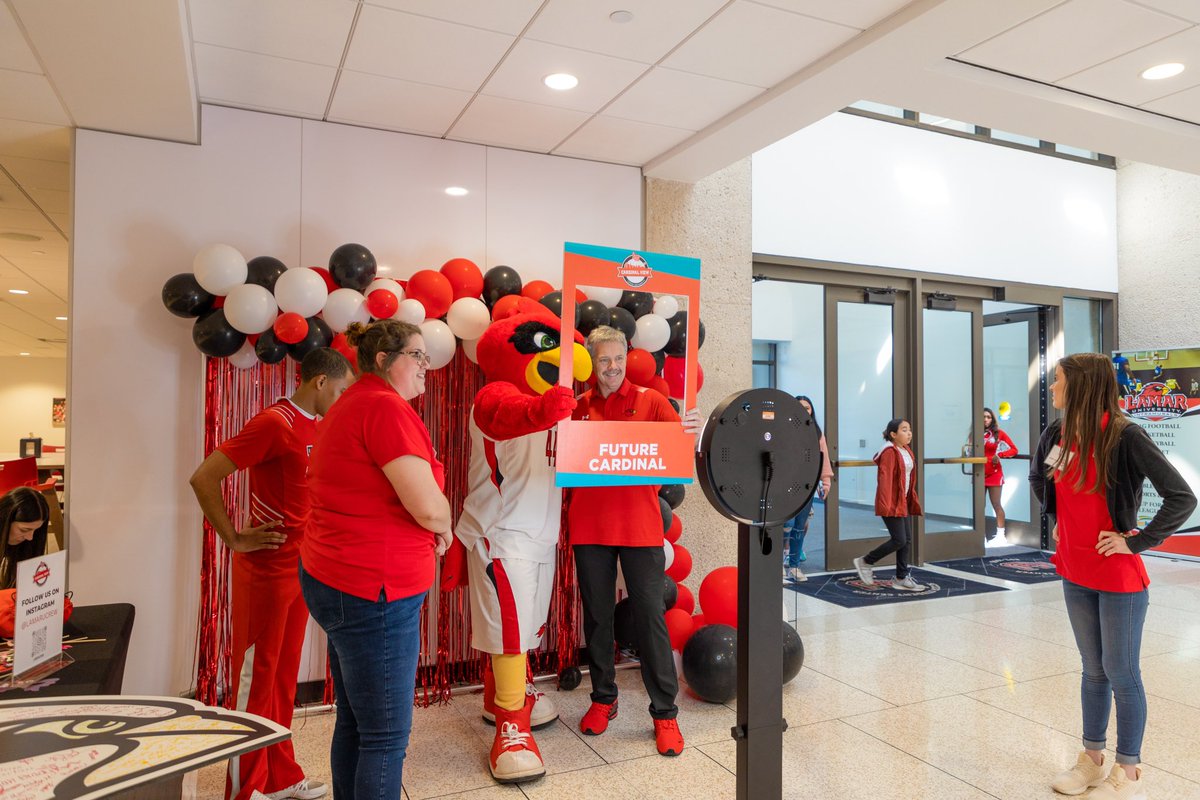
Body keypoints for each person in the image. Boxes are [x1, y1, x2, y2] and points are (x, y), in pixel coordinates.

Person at [190, 347, 353, 800]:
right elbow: (204, 477)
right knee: (256, 682)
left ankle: (279, 776)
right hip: (265, 573)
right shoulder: (273, 423)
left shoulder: (316, 425)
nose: (341, 400)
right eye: (340, 391)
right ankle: (243, 791)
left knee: (282, 681)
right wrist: (235, 538)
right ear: (320, 382)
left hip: (301, 571)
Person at [1031, 353, 1196, 800]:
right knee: (1092, 671)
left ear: (1082, 385)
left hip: (1118, 573)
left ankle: (1129, 764)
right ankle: (1091, 759)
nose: (1052, 388)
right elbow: (1039, 477)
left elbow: (1182, 498)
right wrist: (1056, 517)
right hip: (1074, 568)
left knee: (1121, 671)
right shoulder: (1058, 432)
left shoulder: (1125, 435)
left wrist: (1136, 541)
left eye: (1059, 380)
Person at [299, 320, 451, 800]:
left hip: (337, 577)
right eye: (418, 356)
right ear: (384, 360)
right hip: (373, 590)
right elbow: (427, 505)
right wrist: (444, 522)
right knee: (384, 738)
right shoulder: (385, 408)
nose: (427, 367)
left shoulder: (353, 403)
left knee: (356, 721)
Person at [453, 301, 587, 783]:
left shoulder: (563, 407)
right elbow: (507, 416)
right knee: (509, 629)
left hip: (539, 533)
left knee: (527, 627)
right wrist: (544, 406)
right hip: (502, 534)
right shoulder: (495, 394)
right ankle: (510, 726)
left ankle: (506, 694)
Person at [567, 325, 702, 757]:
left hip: (641, 526)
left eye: (618, 359)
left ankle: (664, 713)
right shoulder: (578, 406)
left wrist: (690, 433)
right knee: (598, 618)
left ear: (627, 357)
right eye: (603, 360)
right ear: (592, 361)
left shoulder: (651, 401)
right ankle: (604, 700)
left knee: (650, 618)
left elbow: (679, 455)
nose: (612, 368)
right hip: (589, 526)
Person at [853, 418, 926, 592]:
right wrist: (886, 504)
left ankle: (901, 577)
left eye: (909, 429)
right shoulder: (889, 451)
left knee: (906, 540)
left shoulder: (905, 450)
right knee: (899, 539)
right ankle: (866, 561)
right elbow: (884, 480)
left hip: (903, 501)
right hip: (892, 502)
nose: (909, 433)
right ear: (893, 434)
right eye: (904, 430)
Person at [782, 395, 833, 582]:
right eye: (800, 406)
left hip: (808, 486)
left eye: (808, 408)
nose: (805, 410)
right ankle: (778, 563)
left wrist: (825, 482)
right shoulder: (784, 429)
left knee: (799, 526)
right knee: (786, 525)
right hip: (786, 485)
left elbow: (824, 458)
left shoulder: (817, 432)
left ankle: (794, 567)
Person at [981, 406, 1019, 548]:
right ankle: (981, 536)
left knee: (996, 504)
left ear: (992, 419)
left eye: (988, 417)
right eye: (983, 417)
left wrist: (1000, 455)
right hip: (979, 473)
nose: (986, 419)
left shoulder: (999, 434)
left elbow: (1014, 449)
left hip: (995, 474)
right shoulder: (975, 434)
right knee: (979, 506)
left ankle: (1000, 536)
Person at [0, 486, 50, 591]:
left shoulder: (27, 545)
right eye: (24, 530)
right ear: (4, 520)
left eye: (35, 530)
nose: (30, 537)